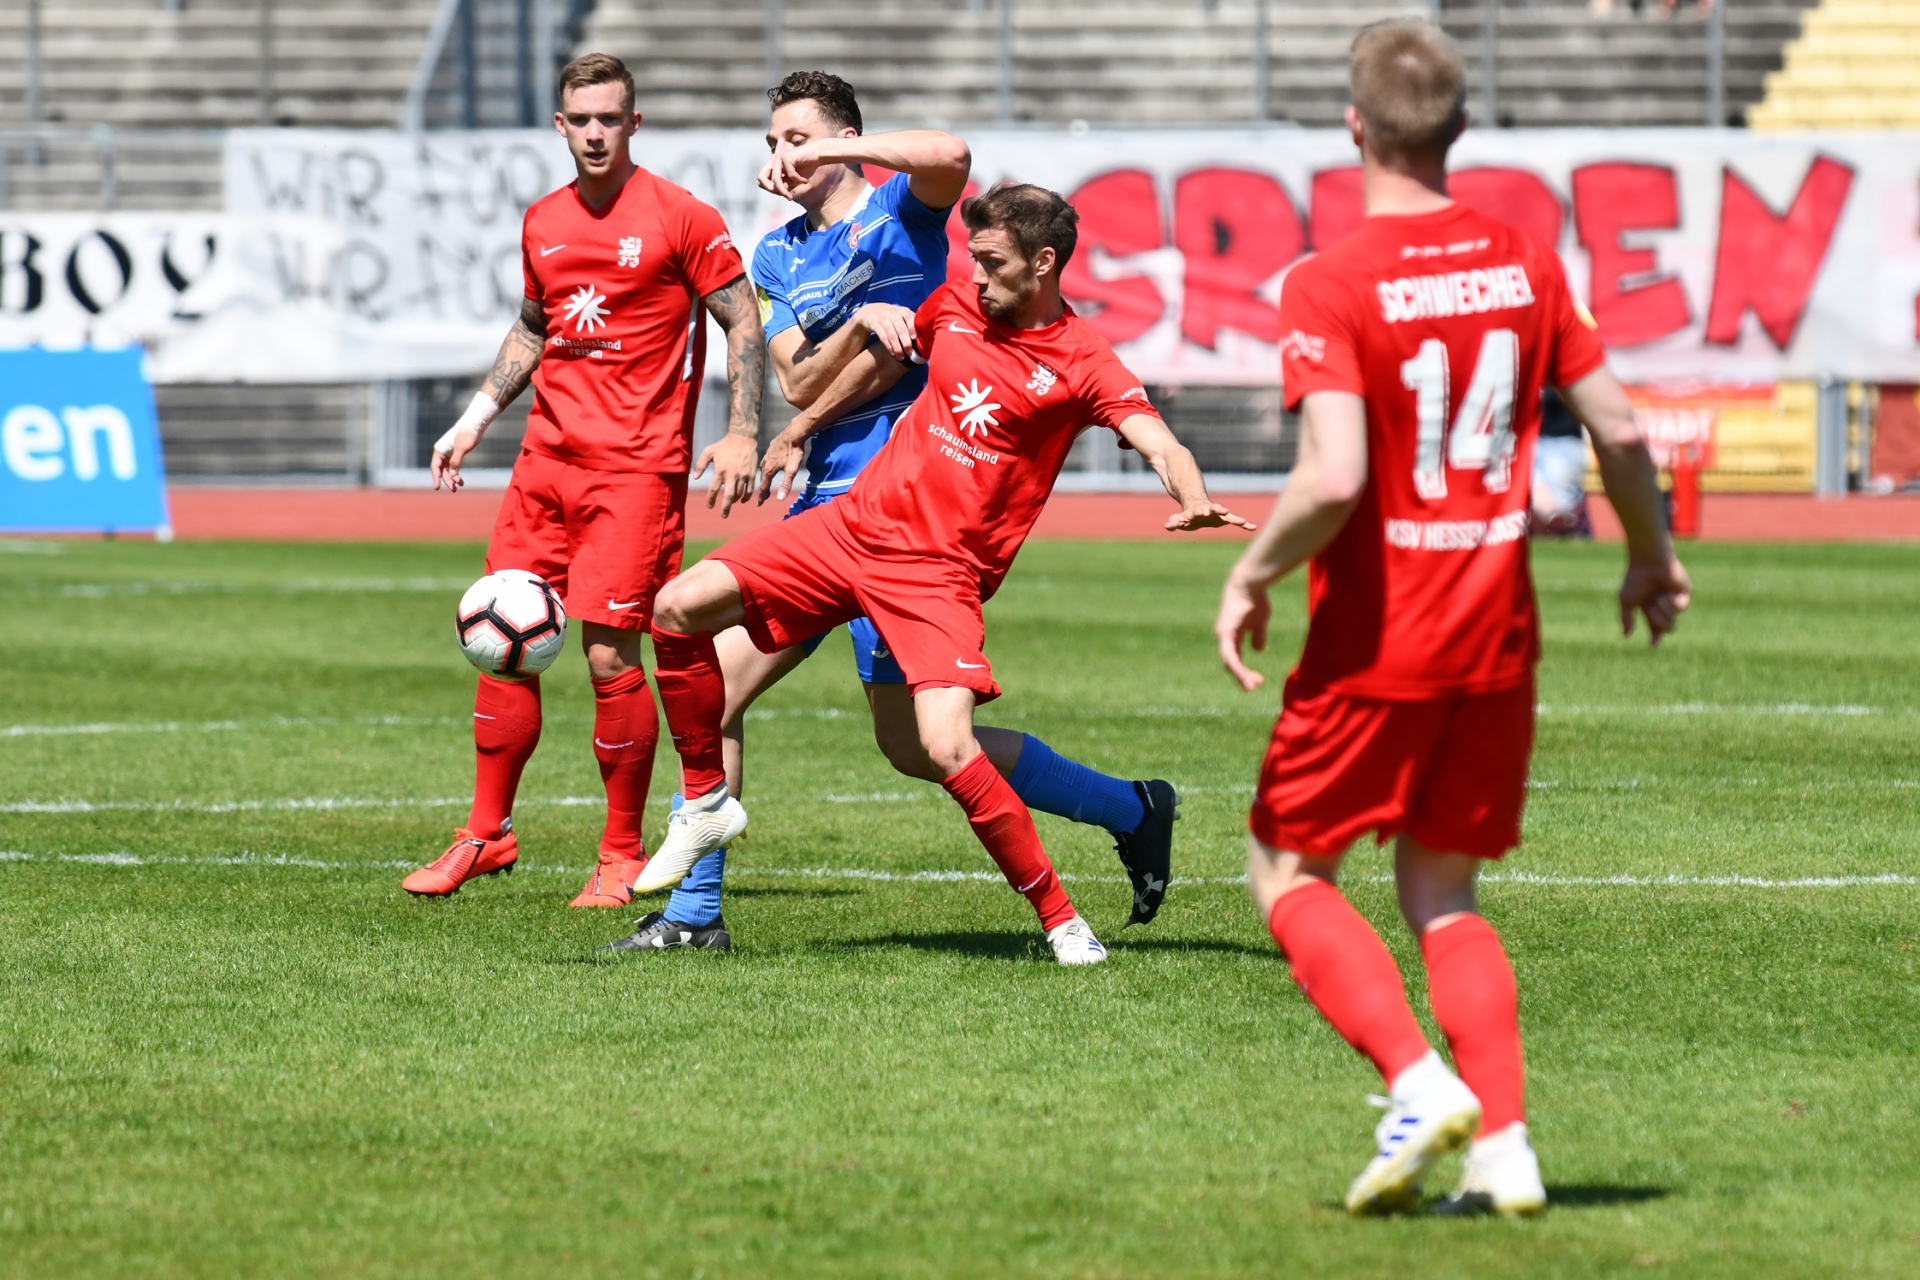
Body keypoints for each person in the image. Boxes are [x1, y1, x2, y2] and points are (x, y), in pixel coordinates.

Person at [1214, 19, 1690, 1216]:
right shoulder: (1525, 259)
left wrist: (1251, 571)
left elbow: (1331, 477)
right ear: (1462, 130)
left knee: (1284, 867)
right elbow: (1622, 430)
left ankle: (1420, 1081)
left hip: (1379, 637)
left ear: (1354, 126)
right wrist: (1651, 555)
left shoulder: (1329, 279)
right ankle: (1507, 1147)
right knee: (1444, 892)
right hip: (1495, 632)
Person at [617, 72, 1185, 952]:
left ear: (845, 139)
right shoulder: (775, 257)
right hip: (832, 503)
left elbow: (950, 155)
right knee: (766, 702)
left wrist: (834, 154)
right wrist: (841, 353)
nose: (782, 158)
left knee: (923, 743)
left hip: (910, 513)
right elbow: (801, 377)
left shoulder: (902, 214)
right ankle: (697, 912)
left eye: (797, 139)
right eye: (772, 144)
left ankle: (1121, 815)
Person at [398, 53, 764, 906]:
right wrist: (474, 418)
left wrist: (744, 430)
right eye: (580, 119)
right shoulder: (543, 221)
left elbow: (741, 313)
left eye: (610, 118)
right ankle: (485, 834)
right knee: (502, 646)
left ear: (634, 123)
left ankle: (620, 853)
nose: (595, 132)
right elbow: (535, 326)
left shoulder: (681, 216)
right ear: (559, 126)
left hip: (636, 470)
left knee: (607, 655)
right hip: (544, 463)